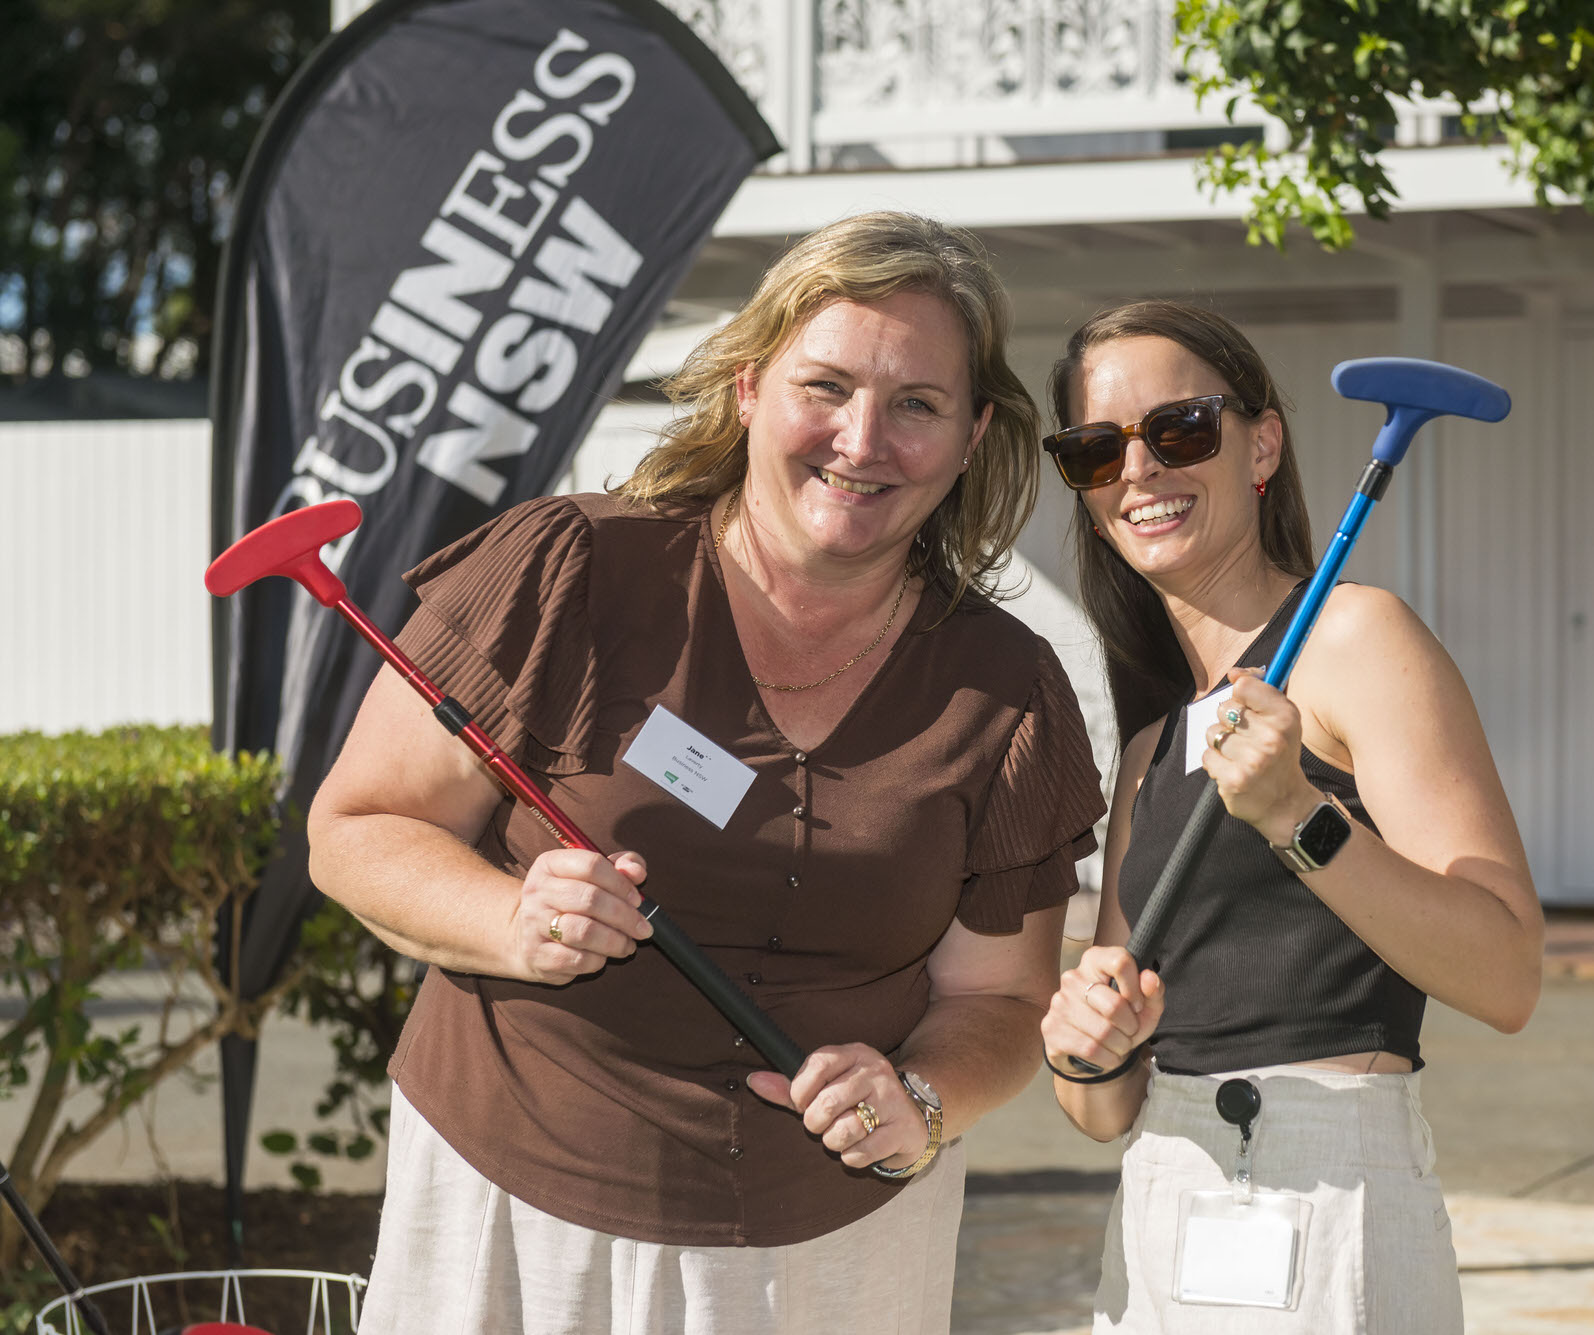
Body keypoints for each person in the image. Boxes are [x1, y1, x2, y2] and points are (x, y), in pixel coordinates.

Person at [308, 212, 1106, 1335]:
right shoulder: (567, 569)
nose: (861, 439)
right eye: (822, 386)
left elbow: (999, 997)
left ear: (974, 435)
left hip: (832, 1255)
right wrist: (507, 919)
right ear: (746, 390)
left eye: (915, 404)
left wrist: (921, 1102)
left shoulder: (1009, 689)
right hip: (514, 1216)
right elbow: (357, 825)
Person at [1035, 300, 1543, 1333]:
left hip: (1327, 1190)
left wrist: (1298, 817)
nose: (1137, 471)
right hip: (1161, 1206)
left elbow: (1504, 972)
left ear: (1259, 443)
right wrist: (1080, 1045)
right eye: (1094, 451)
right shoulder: (1148, 750)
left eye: (1178, 430)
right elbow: (1101, 1111)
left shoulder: (1353, 639)